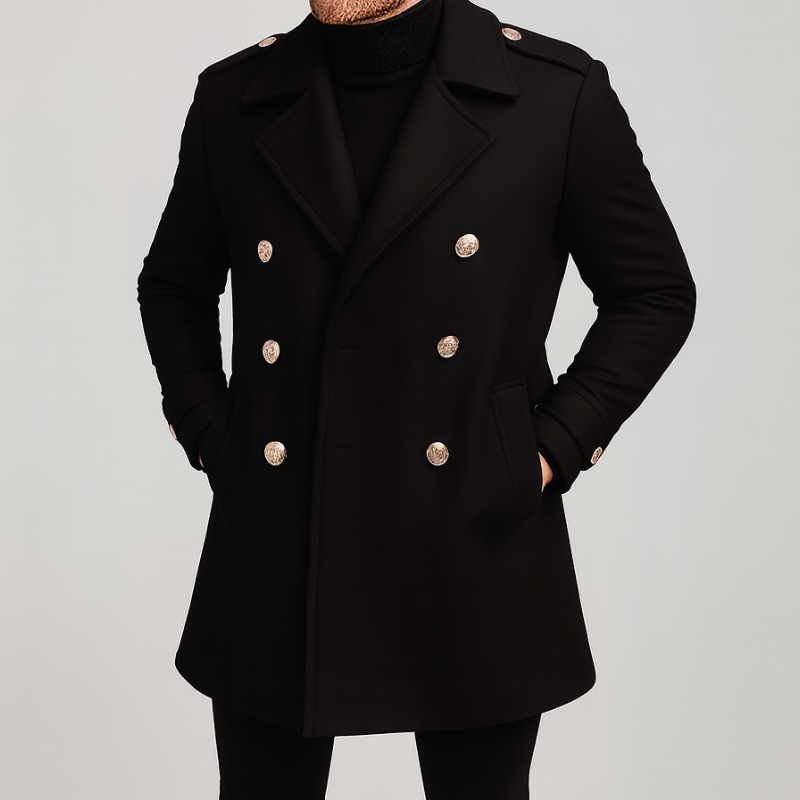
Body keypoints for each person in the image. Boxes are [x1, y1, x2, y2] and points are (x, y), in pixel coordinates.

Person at [137, 0, 696, 796]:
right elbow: (173, 285)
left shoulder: (554, 93)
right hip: (279, 533)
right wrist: (214, 437)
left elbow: (654, 293)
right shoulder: (235, 96)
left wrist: (547, 450)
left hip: (473, 529)